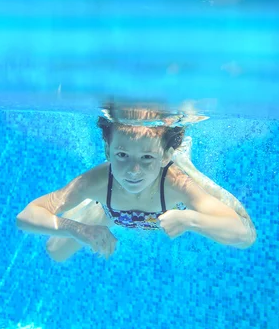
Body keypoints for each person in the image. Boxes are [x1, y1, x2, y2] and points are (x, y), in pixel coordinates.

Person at [16, 105, 256, 262]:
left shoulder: (177, 184)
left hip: (166, 189)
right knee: (55, 251)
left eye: (147, 157)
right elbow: (26, 216)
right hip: (110, 210)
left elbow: (244, 235)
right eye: (122, 155)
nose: (133, 170)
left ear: (163, 157)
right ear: (107, 150)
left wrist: (191, 220)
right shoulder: (97, 180)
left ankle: (183, 160)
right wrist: (79, 229)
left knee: (245, 226)